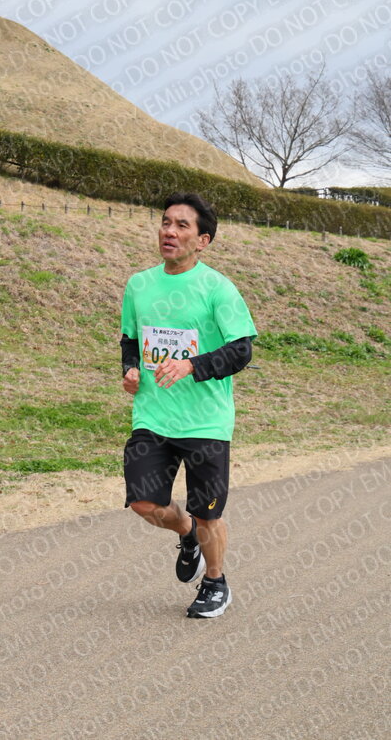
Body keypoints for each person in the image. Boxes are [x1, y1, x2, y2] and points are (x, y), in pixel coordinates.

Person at [120, 191, 257, 618]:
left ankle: (215, 583)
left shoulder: (218, 288)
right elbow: (131, 339)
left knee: (208, 513)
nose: (169, 231)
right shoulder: (139, 285)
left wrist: (191, 366)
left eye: (182, 225)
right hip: (153, 415)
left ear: (203, 240)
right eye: (166, 222)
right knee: (143, 502)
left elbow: (241, 351)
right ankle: (185, 532)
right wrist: (130, 369)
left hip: (205, 421)